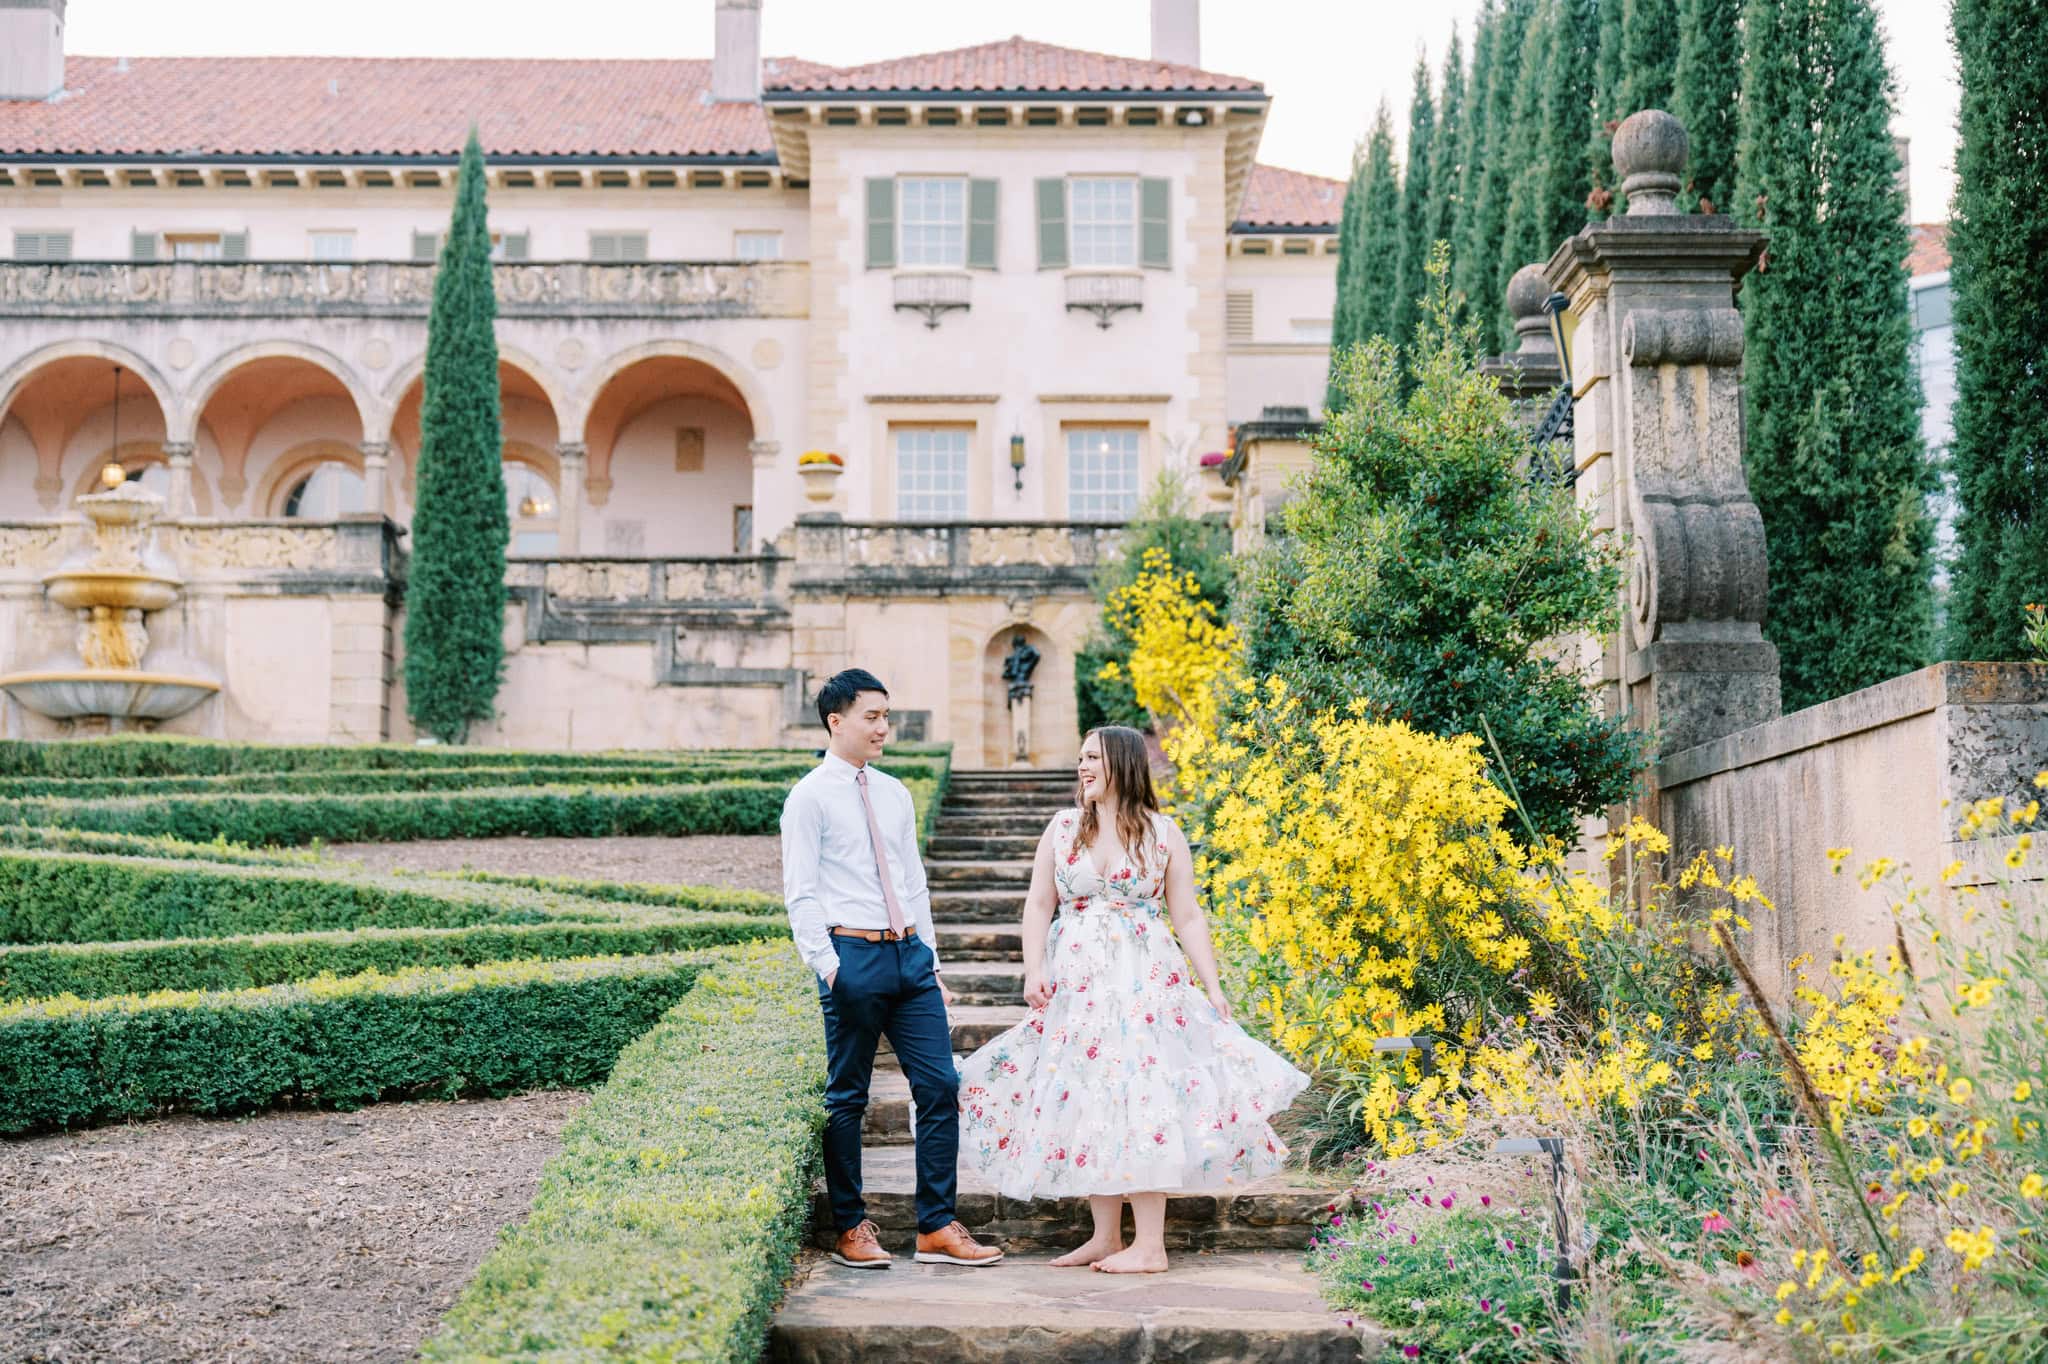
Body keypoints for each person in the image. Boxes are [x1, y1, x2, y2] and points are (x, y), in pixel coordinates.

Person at [955, 723, 1309, 1273]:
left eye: (1093, 758)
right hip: (1079, 993)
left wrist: (1213, 987)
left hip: (1144, 989)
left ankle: (1150, 1245)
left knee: (1143, 1097)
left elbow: (1187, 916)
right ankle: (1105, 1237)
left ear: (1122, 763)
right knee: (1091, 1097)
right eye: (1080, 758)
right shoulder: (1063, 827)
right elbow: (1038, 904)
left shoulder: (1162, 833)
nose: (1082, 767)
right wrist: (1034, 968)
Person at [781, 667, 1003, 1271]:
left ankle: (936, 1226)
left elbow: (913, 882)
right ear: (836, 721)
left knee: (939, 1085)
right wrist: (830, 968)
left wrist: (930, 959)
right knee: (847, 1097)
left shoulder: (894, 792)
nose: (884, 727)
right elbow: (800, 893)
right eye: (872, 717)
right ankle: (851, 1227)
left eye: (887, 716)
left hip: (910, 959)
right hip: (851, 957)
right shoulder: (809, 797)